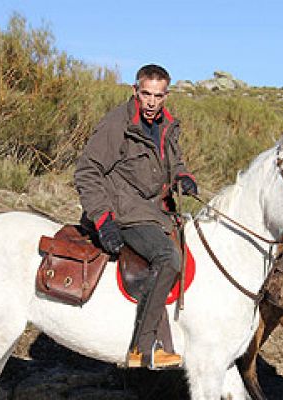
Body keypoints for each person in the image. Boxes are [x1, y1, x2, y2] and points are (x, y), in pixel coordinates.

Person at [74, 64, 197, 369]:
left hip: (156, 210)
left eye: (158, 95)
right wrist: (103, 220)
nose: (152, 102)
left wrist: (182, 175)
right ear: (135, 91)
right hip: (124, 211)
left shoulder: (167, 125)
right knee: (168, 257)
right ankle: (142, 348)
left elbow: (174, 161)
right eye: (146, 94)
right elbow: (87, 172)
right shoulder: (117, 124)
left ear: (166, 95)